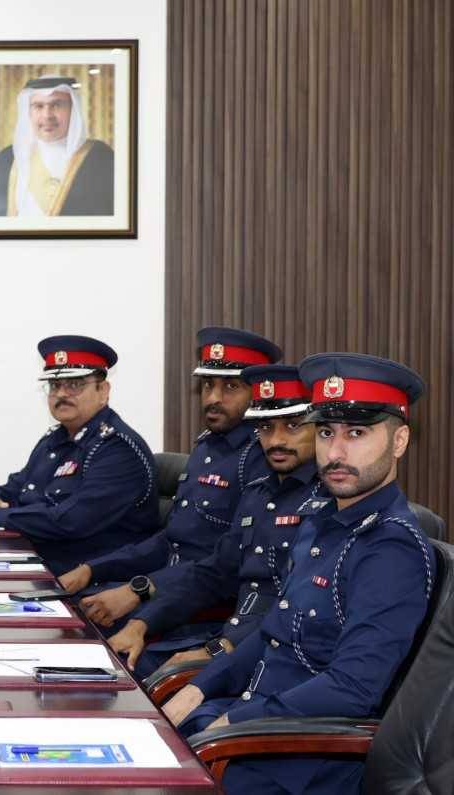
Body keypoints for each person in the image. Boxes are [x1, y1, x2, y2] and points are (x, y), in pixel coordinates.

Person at [163, 353, 434, 794]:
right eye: (326, 432)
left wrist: (235, 723)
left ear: (399, 440)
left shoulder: (390, 547)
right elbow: (272, 634)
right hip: (245, 729)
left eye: (357, 433)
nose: (336, 452)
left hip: (295, 759)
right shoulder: (321, 520)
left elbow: (353, 688)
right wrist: (199, 689)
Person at [107, 364, 321, 679]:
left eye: (292, 426)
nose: (276, 440)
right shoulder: (259, 492)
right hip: (230, 637)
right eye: (265, 427)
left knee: (139, 678)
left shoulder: (326, 502)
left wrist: (219, 651)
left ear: (320, 429)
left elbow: (295, 608)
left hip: (275, 657)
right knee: (112, 662)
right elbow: (214, 573)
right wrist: (142, 623)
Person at [59, 327, 278, 630]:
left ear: (259, 392)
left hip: (203, 609)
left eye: (230, 387)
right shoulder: (208, 446)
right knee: (65, 607)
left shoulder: (263, 457)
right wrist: (92, 569)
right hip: (164, 588)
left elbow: (227, 565)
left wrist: (139, 593)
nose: (213, 398)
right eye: (208, 385)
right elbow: (173, 540)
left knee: (78, 630)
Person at [0, 335, 158, 574]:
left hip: (92, 580)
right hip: (41, 565)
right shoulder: (56, 439)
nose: (62, 394)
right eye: (55, 385)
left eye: (75, 385)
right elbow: (18, 487)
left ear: (103, 391)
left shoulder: (117, 448)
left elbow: (71, 521)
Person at [0, 75, 115, 217]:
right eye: (38, 106)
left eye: (56, 105)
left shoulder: (100, 158)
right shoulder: (6, 160)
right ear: (28, 112)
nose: (47, 115)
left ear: (73, 110)